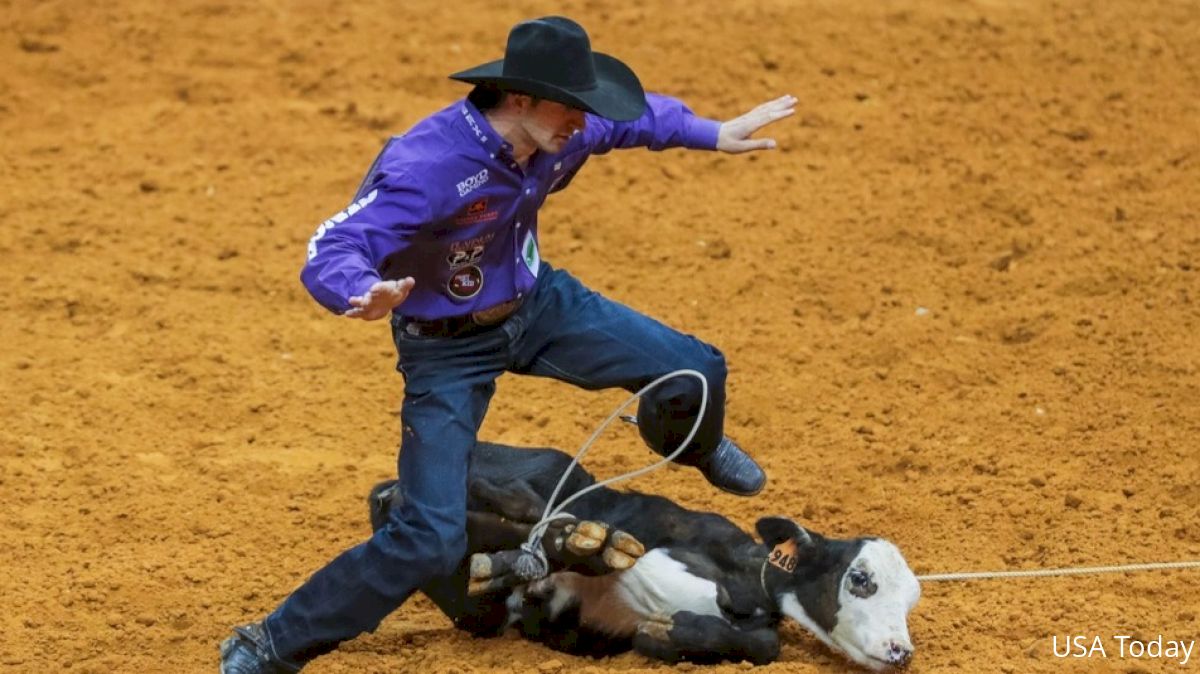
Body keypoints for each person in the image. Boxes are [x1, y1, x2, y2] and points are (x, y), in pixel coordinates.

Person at [220, 15, 795, 673]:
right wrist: (358, 289)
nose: (585, 121)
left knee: (692, 371)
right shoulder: (428, 164)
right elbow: (336, 245)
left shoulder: (556, 130)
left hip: (540, 305)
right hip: (445, 349)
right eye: (573, 105)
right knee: (427, 536)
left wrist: (709, 133)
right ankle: (269, 644)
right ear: (519, 98)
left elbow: (633, 122)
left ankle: (692, 442)